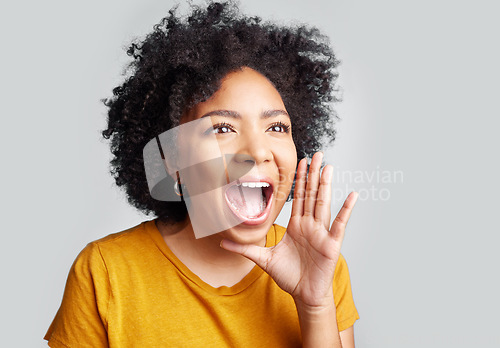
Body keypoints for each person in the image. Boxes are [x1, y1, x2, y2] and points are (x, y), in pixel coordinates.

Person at [44, 1, 360, 347]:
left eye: (277, 126)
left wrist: (314, 306)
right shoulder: (106, 272)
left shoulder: (320, 265)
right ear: (172, 160)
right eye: (223, 128)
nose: (256, 151)